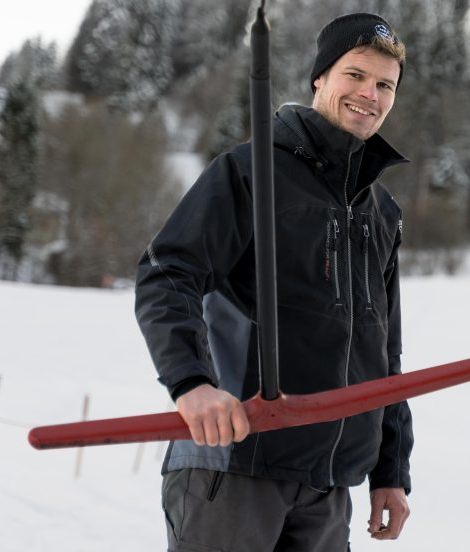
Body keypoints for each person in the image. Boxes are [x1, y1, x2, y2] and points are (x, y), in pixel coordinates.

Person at [135, 13, 413, 552]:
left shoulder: (381, 210)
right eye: (354, 75)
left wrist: (390, 468)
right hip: (236, 462)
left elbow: (385, 350)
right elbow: (167, 274)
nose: (369, 95)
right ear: (320, 78)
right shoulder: (249, 171)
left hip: (328, 481)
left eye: (385, 85)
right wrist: (191, 384)